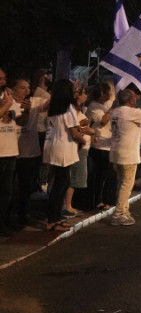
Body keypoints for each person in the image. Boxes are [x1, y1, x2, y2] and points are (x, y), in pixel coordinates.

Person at [109, 89, 141, 225]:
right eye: (134, 97)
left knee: (121, 184)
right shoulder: (132, 112)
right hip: (128, 154)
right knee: (127, 185)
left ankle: (124, 211)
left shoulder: (115, 111)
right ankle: (118, 214)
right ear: (129, 100)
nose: (136, 99)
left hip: (116, 151)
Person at [43, 80, 85, 232]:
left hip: (55, 146)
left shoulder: (54, 107)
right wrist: (82, 139)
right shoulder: (68, 108)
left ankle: (56, 217)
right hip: (63, 148)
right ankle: (52, 220)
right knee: (60, 185)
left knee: (62, 183)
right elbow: (74, 132)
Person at [14, 77, 48, 228]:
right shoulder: (9, 104)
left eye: (28, 88)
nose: (26, 91)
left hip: (30, 152)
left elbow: (48, 104)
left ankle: (23, 214)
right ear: (14, 90)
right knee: (10, 187)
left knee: (26, 186)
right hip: (13, 151)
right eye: (22, 88)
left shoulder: (34, 102)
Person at [62, 84, 94, 217]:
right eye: (83, 93)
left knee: (76, 178)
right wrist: (83, 136)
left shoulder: (80, 110)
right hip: (77, 148)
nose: (86, 96)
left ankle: (68, 205)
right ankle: (67, 206)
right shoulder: (70, 110)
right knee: (73, 177)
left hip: (82, 148)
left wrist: (88, 130)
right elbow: (74, 130)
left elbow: (86, 129)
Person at [86, 81, 116, 210]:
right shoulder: (93, 106)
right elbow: (103, 121)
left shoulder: (105, 105)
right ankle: (97, 200)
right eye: (108, 93)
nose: (109, 96)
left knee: (107, 174)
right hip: (99, 145)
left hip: (108, 144)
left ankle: (105, 198)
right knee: (100, 174)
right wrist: (111, 109)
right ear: (102, 93)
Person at [0, 69, 21, 235]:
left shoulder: (7, 97)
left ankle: (4, 222)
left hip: (11, 151)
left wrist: (27, 111)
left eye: (4, 78)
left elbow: (21, 120)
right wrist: (6, 106)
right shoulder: (7, 100)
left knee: (7, 191)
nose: (2, 81)